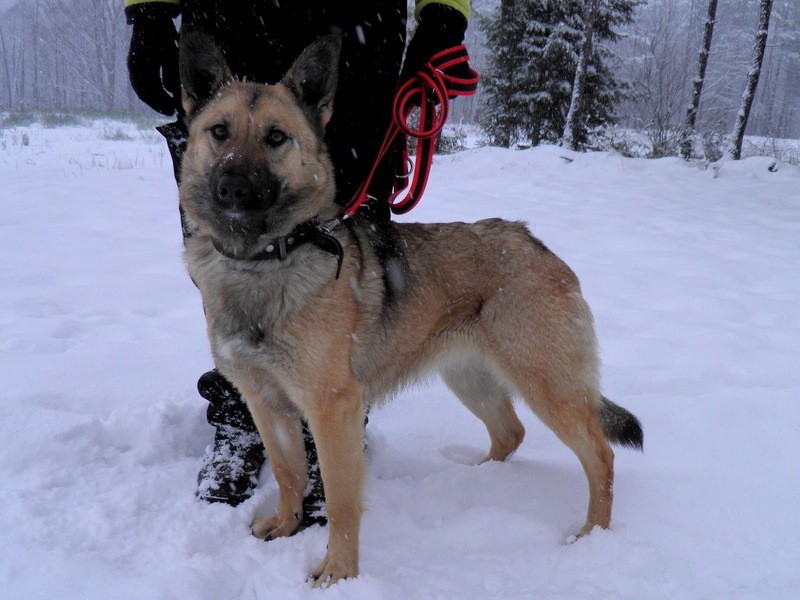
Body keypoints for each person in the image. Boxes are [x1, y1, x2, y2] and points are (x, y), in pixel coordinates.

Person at [125, 0, 472, 526]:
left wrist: (444, 10)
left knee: (352, 245)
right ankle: (244, 414)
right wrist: (148, 10)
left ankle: (331, 422)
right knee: (227, 246)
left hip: (355, 24)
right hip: (231, 16)